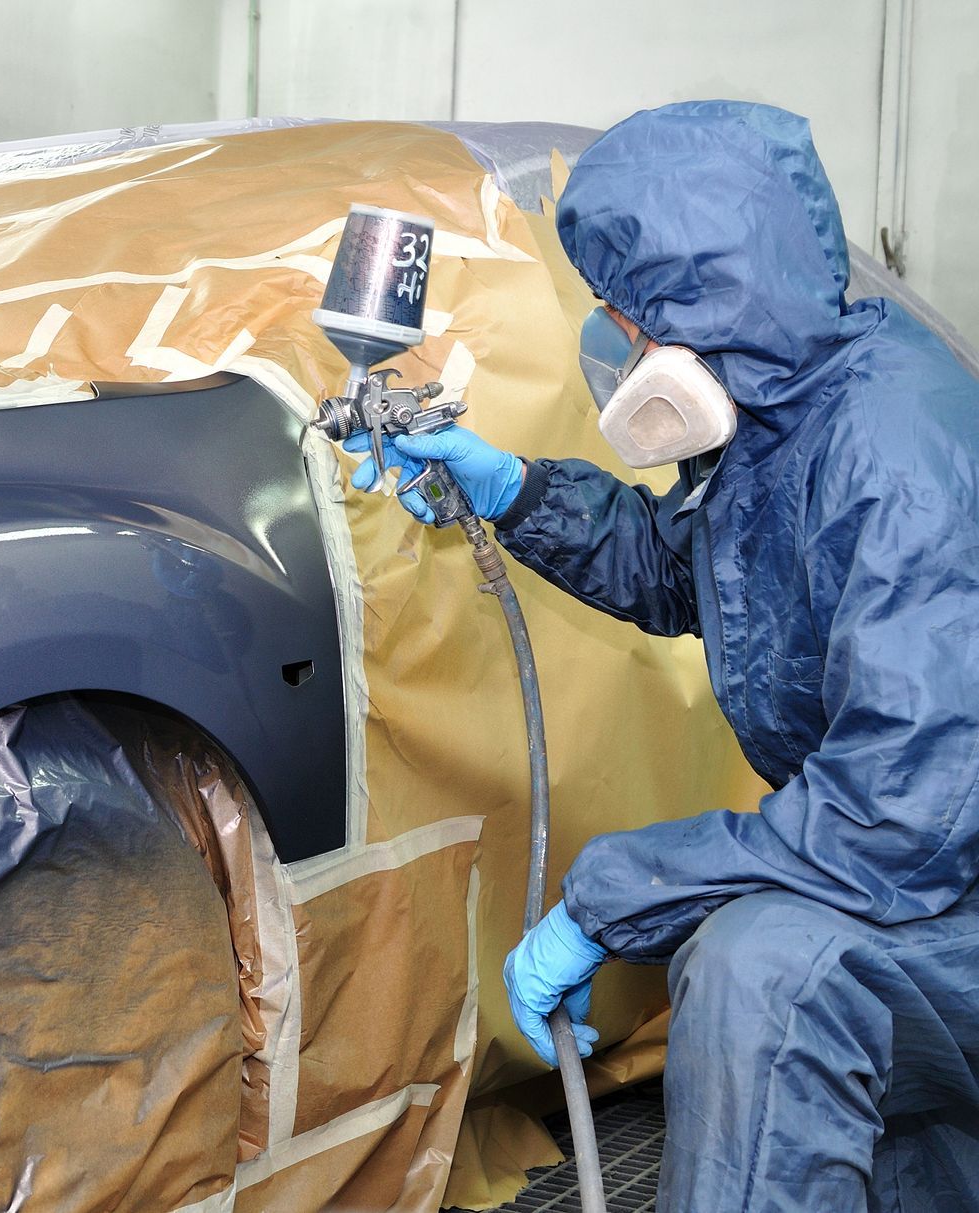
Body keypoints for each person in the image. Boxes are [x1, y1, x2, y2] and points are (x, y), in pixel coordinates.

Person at [348, 101, 979, 1211]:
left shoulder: (903, 462)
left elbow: (894, 819)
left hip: (942, 883)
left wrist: (611, 898)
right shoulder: (789, 408)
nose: (613, 346)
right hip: (936, 881)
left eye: (623, 318)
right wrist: (514, 489)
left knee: (765, 974)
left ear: (706, 306)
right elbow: (696, 574)